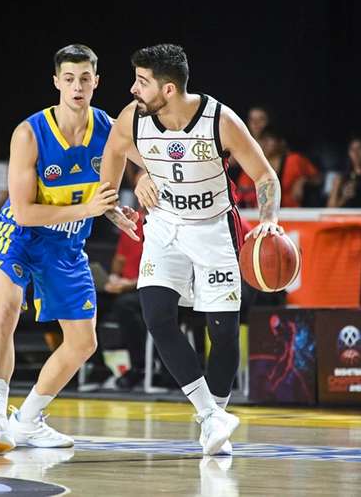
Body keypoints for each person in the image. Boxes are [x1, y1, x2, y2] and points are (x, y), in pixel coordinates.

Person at [100, 44, 284, 456]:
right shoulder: (133, 118)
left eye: (141, 82)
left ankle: (216, 417)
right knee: (156, 315)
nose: (132, 89)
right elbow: (113, 150)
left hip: (213, 228)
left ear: (168, 89)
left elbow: (264, 175)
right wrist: (114, 205)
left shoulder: (221, 120)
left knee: (221, 334)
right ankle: (208, 415)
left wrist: (269, 218)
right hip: (164, 227)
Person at [0, 44, 137, 453]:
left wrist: (116, 210)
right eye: (69, 78)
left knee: (84, 343)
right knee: (5, 306)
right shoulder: (29, 133)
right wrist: (90, 207)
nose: (77, 86)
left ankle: (27, 420)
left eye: (84, 79)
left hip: (67, 242)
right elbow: (23, 212)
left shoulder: (110, 130)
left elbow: (141, 167)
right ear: (56, 82)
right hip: (22, 234)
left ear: (96, 82)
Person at [102, 212, 146, 389]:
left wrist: (128, 285)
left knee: (125, 305)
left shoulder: (163, 224)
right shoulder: (132, 223)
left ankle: (140, 367)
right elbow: (119, 258)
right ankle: (97, 368)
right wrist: (113, 277)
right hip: (124, 286)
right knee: (90, 303)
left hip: (146, 286)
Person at [235, 126, 321, 208]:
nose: (264, 143)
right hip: (261, 216)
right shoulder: (254, 164)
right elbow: (242, 189)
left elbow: (319, 179)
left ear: (281, 142)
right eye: (262, 140)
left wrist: (303, 181)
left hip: (294, 215)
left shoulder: (294, 160)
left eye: (269, 139)